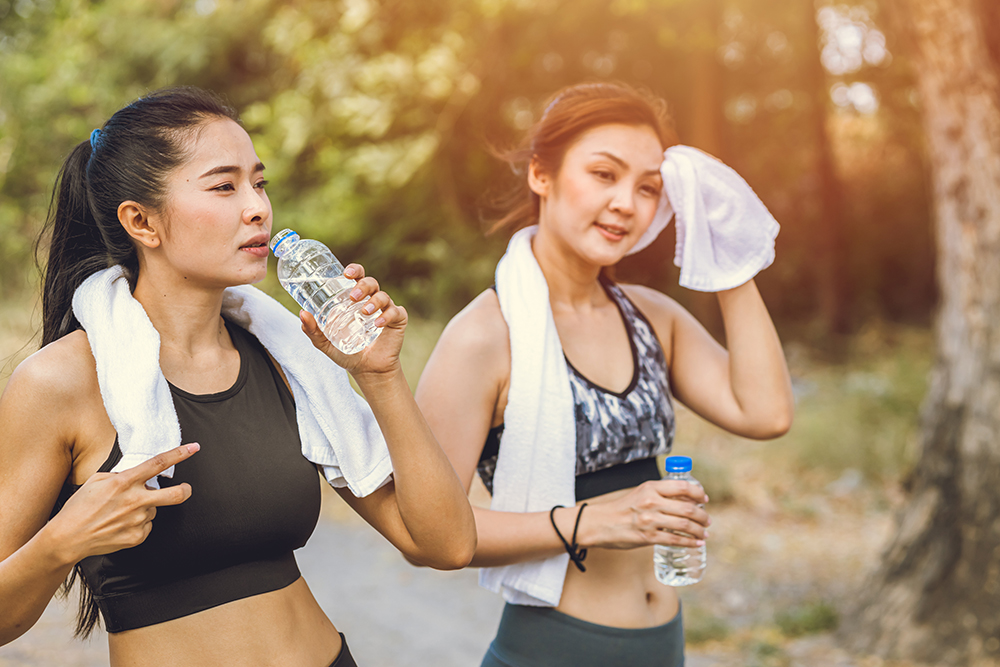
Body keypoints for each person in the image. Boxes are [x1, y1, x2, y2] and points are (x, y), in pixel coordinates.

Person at [0, 86, 476, 667]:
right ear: (142, 222)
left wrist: (379, 376)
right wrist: (60, 541)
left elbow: (446, 545)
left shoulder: (284, 358)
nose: (257, 207)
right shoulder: (60, 383)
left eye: (259, 183)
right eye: (224, 186)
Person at [414, 82, 794, 666]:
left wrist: (729, 254)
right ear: (541, 174)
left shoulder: (652, 317)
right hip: (552, 650)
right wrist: (596, 521)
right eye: (604, 174)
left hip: (663, 646)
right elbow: (431, 537)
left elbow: (765, 413)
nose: (627, 203)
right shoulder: (484, 337)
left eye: (648, 188)